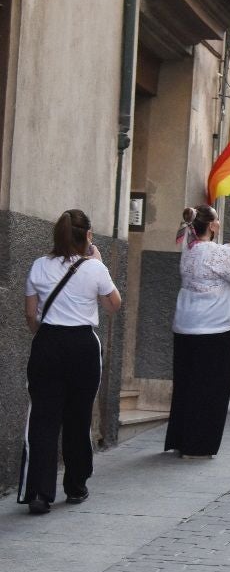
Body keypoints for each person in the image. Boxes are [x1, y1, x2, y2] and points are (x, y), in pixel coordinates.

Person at [20, 210, 122, 513]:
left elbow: (30, 313)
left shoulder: (39, 265)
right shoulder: (95, 269)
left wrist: (46, 334)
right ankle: (76, 486)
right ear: (88, 236)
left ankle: (39, 493)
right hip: (83, 346)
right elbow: (113, 305)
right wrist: (99, 263)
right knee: (78, 417)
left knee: (43, 418)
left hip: (48, 342)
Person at [167, 206, 230, 456]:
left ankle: (181, 438)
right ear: (211, 226)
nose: (220, 223)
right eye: (217, 219)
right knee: (210, 391)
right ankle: (198, 445)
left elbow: (220, 257)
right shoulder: (217, 253)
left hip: (186, 327)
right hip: (214, 328)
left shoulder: (189, 249)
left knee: (187, 387)